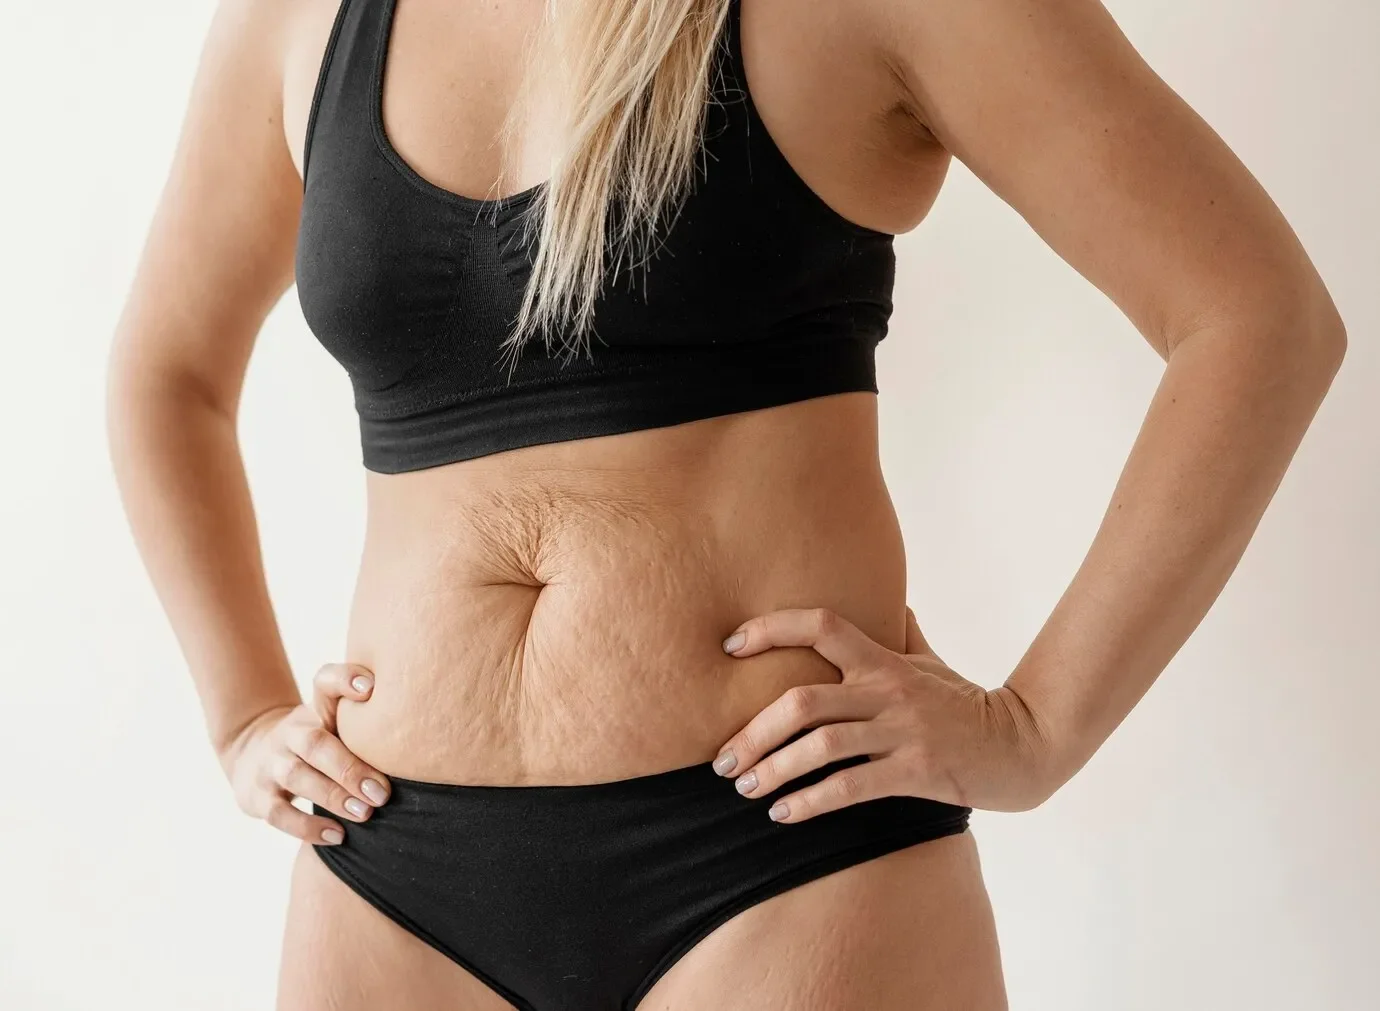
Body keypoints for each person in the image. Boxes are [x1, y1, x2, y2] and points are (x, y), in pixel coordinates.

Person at [106, 0, 1346, 1007]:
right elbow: (169, 374)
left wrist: (1034, 729)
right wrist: (242, 718)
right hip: (389, 875)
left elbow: (1257, 319)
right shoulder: (299, 19)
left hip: (783, 866)